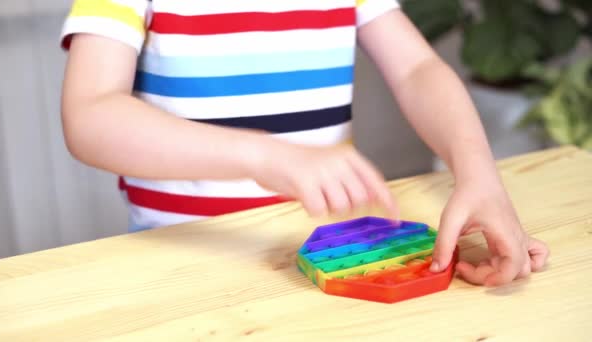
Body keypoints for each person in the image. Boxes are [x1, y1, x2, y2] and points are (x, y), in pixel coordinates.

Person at [59, 0, 548, 286]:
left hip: (328, 261)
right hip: (185, 269)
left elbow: (419, 70)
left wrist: (480, 174)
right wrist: (261, 155)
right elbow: (90, 115)